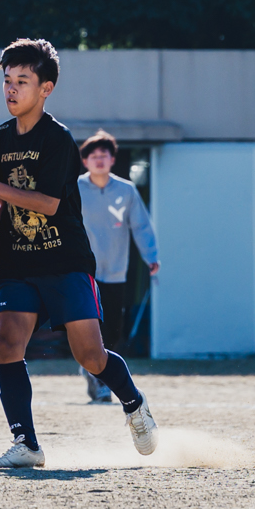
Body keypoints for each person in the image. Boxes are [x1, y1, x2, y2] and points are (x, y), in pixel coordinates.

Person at [0, 39, 159, 467]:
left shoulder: (58, 138)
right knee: (7, 343)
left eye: (22, 81)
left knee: (91, 356)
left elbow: (48, 202)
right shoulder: (0, 137)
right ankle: (26, 443)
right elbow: (7, 189)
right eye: (6, 80)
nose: (11, 89)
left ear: (46, 88)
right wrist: (2, 204)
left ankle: (134, 404)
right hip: (17, 262)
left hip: (65, 262)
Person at [76, 129, 159, 403]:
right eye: (93, 156)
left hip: (115, 270)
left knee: (112, 329)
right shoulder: (74, 189)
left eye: (104, 155)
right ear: (85, 161)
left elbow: (141, 226)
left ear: (112, 159)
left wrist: (151, 256)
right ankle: (98, 379)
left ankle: (96, 372)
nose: (99, 160)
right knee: (88, 325)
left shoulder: (126, 190)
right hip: (83, 271)